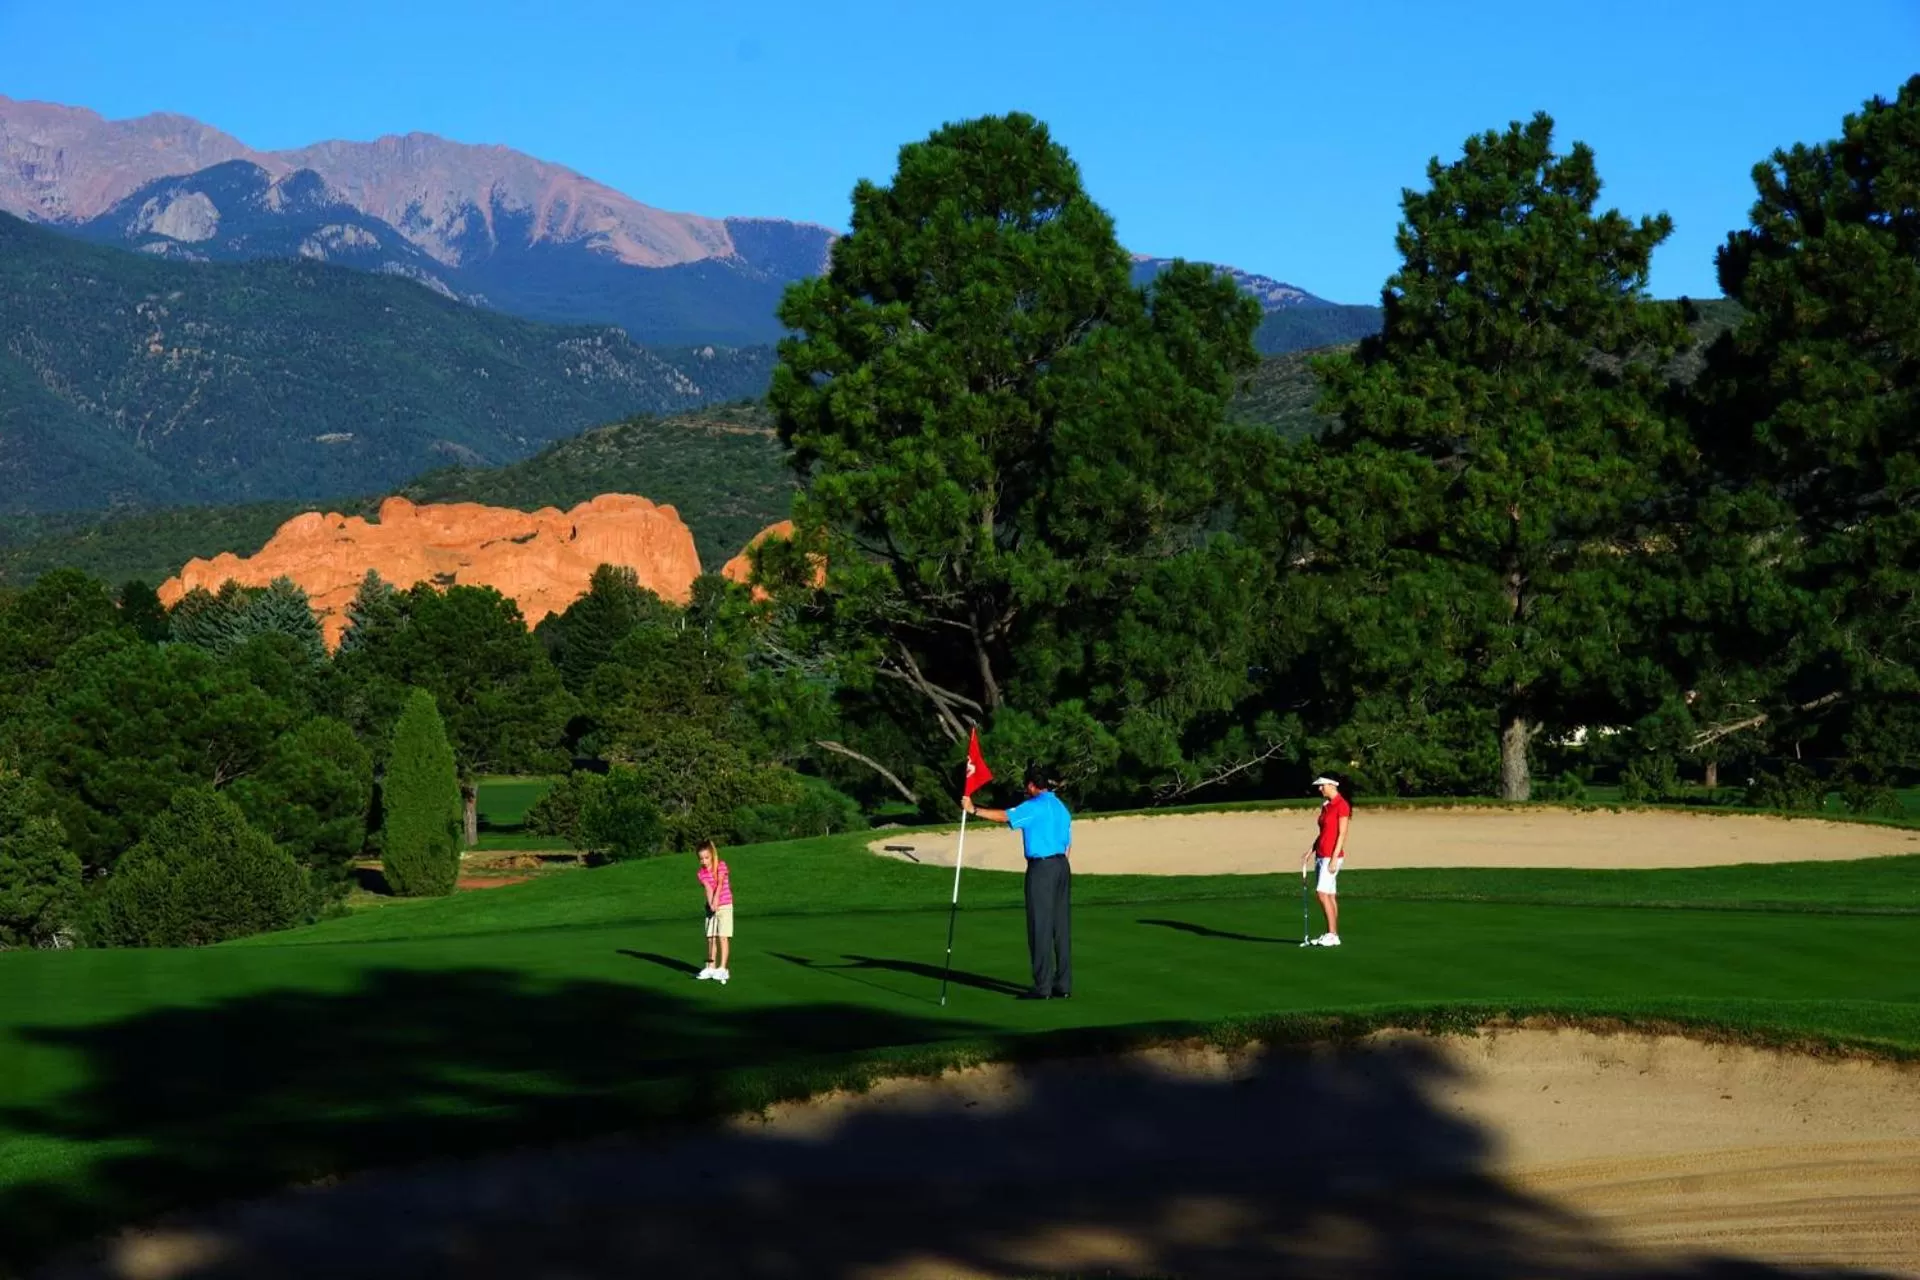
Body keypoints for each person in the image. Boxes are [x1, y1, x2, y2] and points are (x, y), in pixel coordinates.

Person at [963, 765, 1072, 999]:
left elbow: (1005, 816)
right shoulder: (1059, 806)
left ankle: (1042, 987)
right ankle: (1063, 985)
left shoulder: (1033, 806)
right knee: (1060, 927)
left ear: (1032, 785)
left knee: (1040, 926)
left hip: (1042, 868)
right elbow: (1068, 843)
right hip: (1062, 866)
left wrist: (973, 809)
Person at [1303, 775, 1350, 946]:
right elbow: (1323, 832)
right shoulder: (1326, 806)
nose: (1319, 788)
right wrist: (1311, 850)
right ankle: (1332, 934)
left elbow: (1342, 834)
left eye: (1322, 785)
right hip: (1321, 854)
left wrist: (1334, 858)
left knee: (1321, 893)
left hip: (1331, 856)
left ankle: (1332, 934)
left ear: (1332, 785)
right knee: (1329, 894)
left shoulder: (1342, 805)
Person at [694, 839, 733, 983]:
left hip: (725, 905)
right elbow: (708, 889)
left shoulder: (721, 865)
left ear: (712, 855)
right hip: (711, 907)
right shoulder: (701, 873)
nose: (704, 861)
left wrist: (716, 900)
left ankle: (723, 969)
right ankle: (710, 967)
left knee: (722, 937)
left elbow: (720, 883)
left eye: (706, 857)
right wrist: (711, 903)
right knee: (710, 938)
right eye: (701, 859)